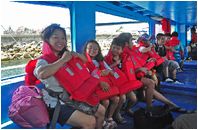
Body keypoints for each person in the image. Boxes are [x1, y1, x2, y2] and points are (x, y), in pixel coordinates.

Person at [33, 24, 105, 129]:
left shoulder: (67, 55)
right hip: (57, 102)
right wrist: (62, 60)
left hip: (73, 97)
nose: (60, 41)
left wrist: (78, 55)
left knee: (101, 111)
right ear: (47, 39)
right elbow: (41, 74)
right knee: (90, 121)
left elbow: (87, 62)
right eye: (55, 37)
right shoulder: (43, 61)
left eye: (63, 38)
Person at [116, 32, 187, 115]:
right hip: (129, 80)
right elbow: (126, 72)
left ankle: (170, 105)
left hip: (136, 76)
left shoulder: (131, 51)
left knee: (151, 83)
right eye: (131, 41)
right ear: (126, 44)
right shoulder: (122, 55)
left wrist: (146, 63)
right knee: (151, 83)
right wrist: (140, 69)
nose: (133, 43)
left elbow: (135, 66)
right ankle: (149, 109)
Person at [104, 38, 143, 124]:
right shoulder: (106, 59)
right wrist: (115, 64)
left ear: (122, 50)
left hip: (124, 84)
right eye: (113, 47)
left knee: (133, 99)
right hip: (114, 84)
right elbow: (104, 70)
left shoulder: (124, 58)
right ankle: (116, 114)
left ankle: (126, 109)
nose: (115, 50)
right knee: (122, 98)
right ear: (110, 47)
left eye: (118, 48)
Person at [83, 40, 120, 128]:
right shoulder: (83, 61)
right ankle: (101, 121)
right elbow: (86, 76)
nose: (93, 50)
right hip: (94, 87)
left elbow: (111, 72)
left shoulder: (100, 61)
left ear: (99, 50)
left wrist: (109, 71)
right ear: (85, 49)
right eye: (90, 48)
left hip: (105, 85)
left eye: (95, 48)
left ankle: (109, 117)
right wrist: (100, 77)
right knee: (106, 101)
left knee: (116, 99)